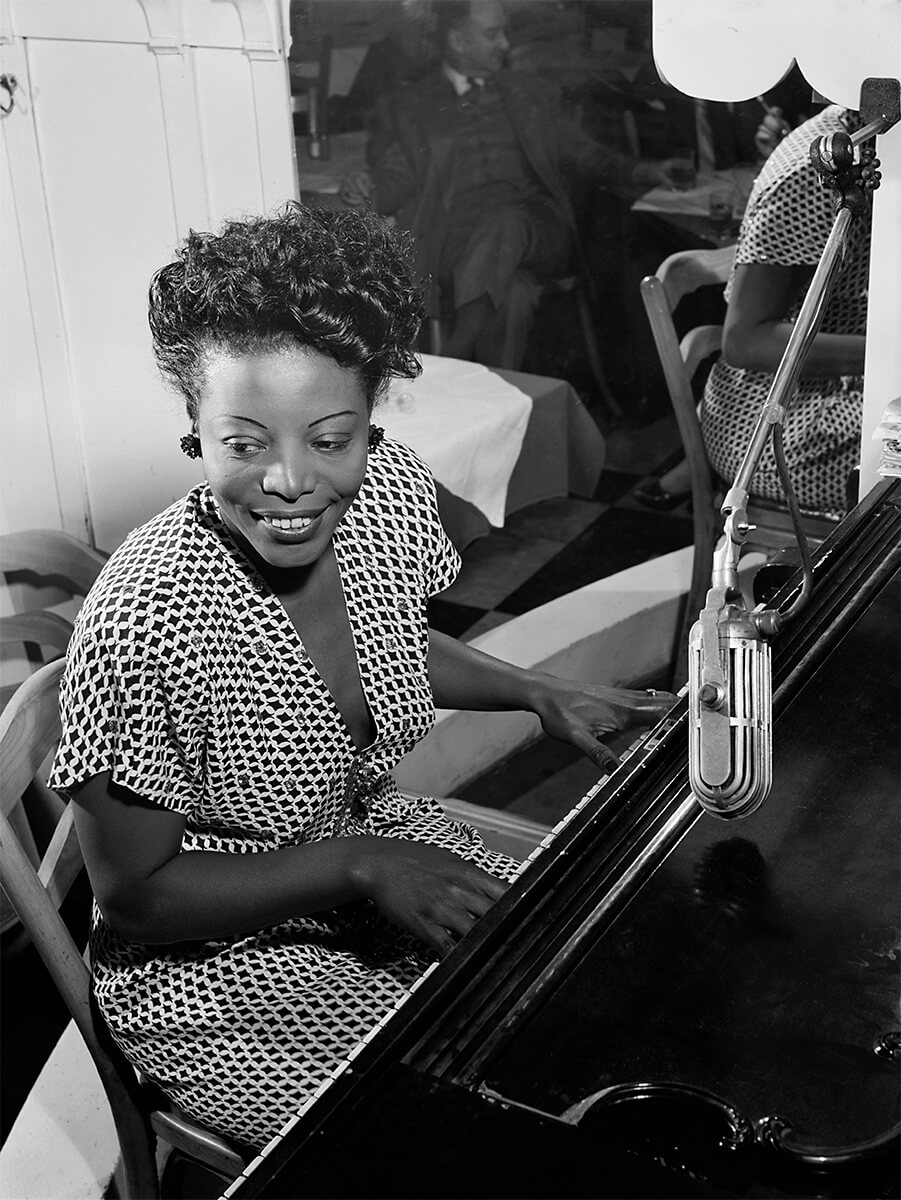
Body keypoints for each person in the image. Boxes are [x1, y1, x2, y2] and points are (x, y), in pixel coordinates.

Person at [47, 204, 674, 1149]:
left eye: (328, 438)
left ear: (372, 417)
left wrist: (538, 692)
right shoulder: (148, 615)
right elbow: (137, 896)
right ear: (194, 429)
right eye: (244, 442)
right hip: (218, 970)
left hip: (367, 844)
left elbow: (386, 638)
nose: (290, 480)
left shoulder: (386, 492)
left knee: (603, 985)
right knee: (449, 1138)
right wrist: (360, 864)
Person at [339, 0, 690, 371]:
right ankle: (499, 410)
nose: (505, 44)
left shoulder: (528, 93)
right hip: (456, 244)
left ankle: (454, 356)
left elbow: (584, 153)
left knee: (507, 221)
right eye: (492, 34)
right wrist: (367, 187)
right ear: (458, 39)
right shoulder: (411, 105)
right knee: (515, 295)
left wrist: (647, 171)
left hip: (537, 228)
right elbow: (397, 176)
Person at [636, 103, 870, 515]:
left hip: (834, 396)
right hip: (776, 427)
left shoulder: (870, 142)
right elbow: (744, 341)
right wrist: (885, 353)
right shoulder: (812, 172)